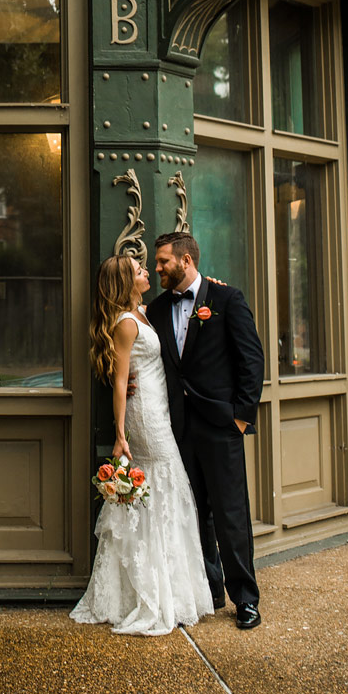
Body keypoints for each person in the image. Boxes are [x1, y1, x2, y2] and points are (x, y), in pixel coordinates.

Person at [70, 254, 213, 635]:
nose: (147, 272)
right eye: (139, 270)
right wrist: (120, 434)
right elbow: (120, 382)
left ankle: (171, 586)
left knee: (164, 491)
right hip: (145, 414)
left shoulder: (146, 311)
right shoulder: (126, 324)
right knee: (162, 486)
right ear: (125, 282)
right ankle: (150, 593)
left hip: (161, 407)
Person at [145, 231, 265, 630]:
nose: (156, 268)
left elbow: (251, 360)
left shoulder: (227, 299)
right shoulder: (158, 309)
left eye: (163, 261)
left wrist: (240, 417)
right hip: (176, 429)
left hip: (221, 426)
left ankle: (246, 599)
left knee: (232, 516)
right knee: (195, 515)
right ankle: (210, 589)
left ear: (186, 261)